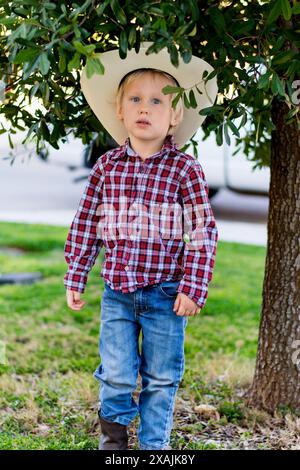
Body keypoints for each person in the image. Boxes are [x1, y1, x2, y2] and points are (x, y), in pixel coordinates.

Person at [64, 42, 218, 450]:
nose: (144, 108)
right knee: (116, 373)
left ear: (175, 115)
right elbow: (86, 224)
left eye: (156, 101)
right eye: (135, 99)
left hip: (166, 294)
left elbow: (203, 232)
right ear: (120, 109)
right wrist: (76, 274)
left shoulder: (185, 170)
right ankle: (114, 444)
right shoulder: (106, 167)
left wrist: (193, 285)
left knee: (161, 376)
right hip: (117, 292)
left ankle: (154, 446)